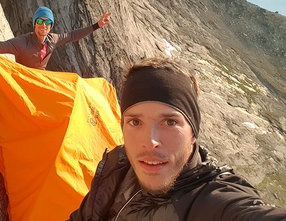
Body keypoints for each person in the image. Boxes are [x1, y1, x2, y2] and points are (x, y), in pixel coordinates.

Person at [69, 57, 286, 220]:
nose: (150, 141)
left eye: (170, 122)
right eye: (135, 122)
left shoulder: (212, 201)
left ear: (193, 133)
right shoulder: (116, 164)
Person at [0, 6, 111, 70]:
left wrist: (96, 25)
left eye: (47, 22)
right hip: (24, 78)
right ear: (34, 24)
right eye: (40, 21)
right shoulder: (22, 43)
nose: (43, 25)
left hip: (40, 78)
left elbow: (72, 36)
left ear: (51, 25)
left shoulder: (53, 39)